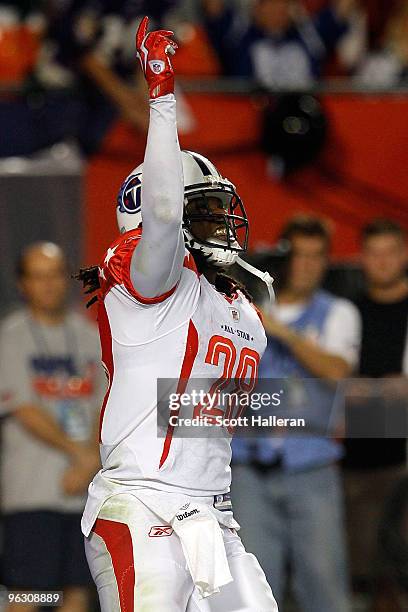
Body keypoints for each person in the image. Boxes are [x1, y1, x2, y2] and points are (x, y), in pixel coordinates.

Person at [79, 16, 278, 612]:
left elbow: (200, 409)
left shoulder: (239, 306)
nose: (221, 225)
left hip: (212, 514)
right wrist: (161, 98)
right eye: (207, 213)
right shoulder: (154, 281)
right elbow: (164, 217)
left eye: (220, 211)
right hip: (143, 505)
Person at [231, 215, 361, 612]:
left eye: (316, 256)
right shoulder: (243, 310)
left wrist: (283, 332)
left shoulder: (338, 312)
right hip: (248, 468)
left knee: (324, 586)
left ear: (326, 261)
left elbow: (337, 372)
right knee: (253, 590)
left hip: (311, 469)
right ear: (284, 259)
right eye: (298, 255)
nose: (306, 265)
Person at [0, 242, 104, 612]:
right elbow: (24, 408)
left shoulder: (89, 336)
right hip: (32, 492)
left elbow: (104, 404)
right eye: (38, 277)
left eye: (55, 275)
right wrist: (82, 455)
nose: (47, 285)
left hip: (85, 495)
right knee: (28, 594)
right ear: (22, 284)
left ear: (67, 279)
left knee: (76, 592)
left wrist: (89, 460)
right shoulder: (10, 336)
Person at [343, 218, 408, 593]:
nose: (382, 262)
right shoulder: (347, 312)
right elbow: (336, 386)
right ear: (362, 258)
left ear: (403, 256)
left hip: (402, 458)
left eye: (390, 252)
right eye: (374, 253)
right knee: (361, 575)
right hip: (357, 462)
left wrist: (366, 393)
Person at [202, 0, 358, 87]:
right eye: (271, 3)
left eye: (284, 3)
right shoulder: (237, 34)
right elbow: (214, 9)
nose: (278, 9)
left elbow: (341, 11)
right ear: (257, 7)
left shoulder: (309, 35)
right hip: (247, 120)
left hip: (306, 116)